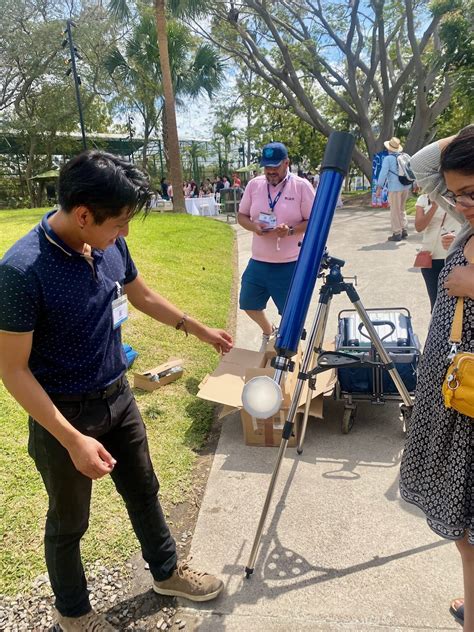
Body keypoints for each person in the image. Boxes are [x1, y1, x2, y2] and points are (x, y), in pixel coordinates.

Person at [0, 151, 233, 632]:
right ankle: (75, 615)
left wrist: (197, 328)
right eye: (120, 222)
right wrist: (71, 439)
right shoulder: (21, 271)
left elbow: (140, 294)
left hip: (119, 397)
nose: (125, 234)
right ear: (83, 214)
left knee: (145, 490)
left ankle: (167, 574)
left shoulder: (105, 245)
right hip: (64, 414)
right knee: (69, 522)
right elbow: (13, 370)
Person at [399, 125, 474, 629]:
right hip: (455, 395)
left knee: (468, 535)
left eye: (469, 193)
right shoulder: (468, 219)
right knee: (466, 534)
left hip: (469, 406)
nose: (461, 203)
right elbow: (421, 167)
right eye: (460, 194)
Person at [237, 141, 315, 351]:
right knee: (248, 303)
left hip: (289, 264)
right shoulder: (255, 185)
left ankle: (290, 349)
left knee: (290, 313)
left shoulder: (301, 186)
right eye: (267, 167)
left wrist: (289, 230)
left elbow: (314, 221)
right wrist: (254, 227)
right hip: (259, 262)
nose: (270, 171)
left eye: (275, 166)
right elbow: (241, 216)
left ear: (287, 163)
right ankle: (268, 330)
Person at [414, 193, 459, 310]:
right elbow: (419, 226)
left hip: (453, 255)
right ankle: (435, 326)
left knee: (454, 303)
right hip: (430, 256)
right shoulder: (423, 199)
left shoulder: (457, 197)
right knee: (435, 302)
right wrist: (434, 206)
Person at [375, 136, 412, 241]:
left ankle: (397, 233)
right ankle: (404, 229)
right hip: (406, 186)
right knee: (401, 209)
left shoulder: (388, 159)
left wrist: (379, 188)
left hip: (395, 188)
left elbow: (383, 173)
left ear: (389, 148)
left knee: (395, 210)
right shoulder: (405, 156)